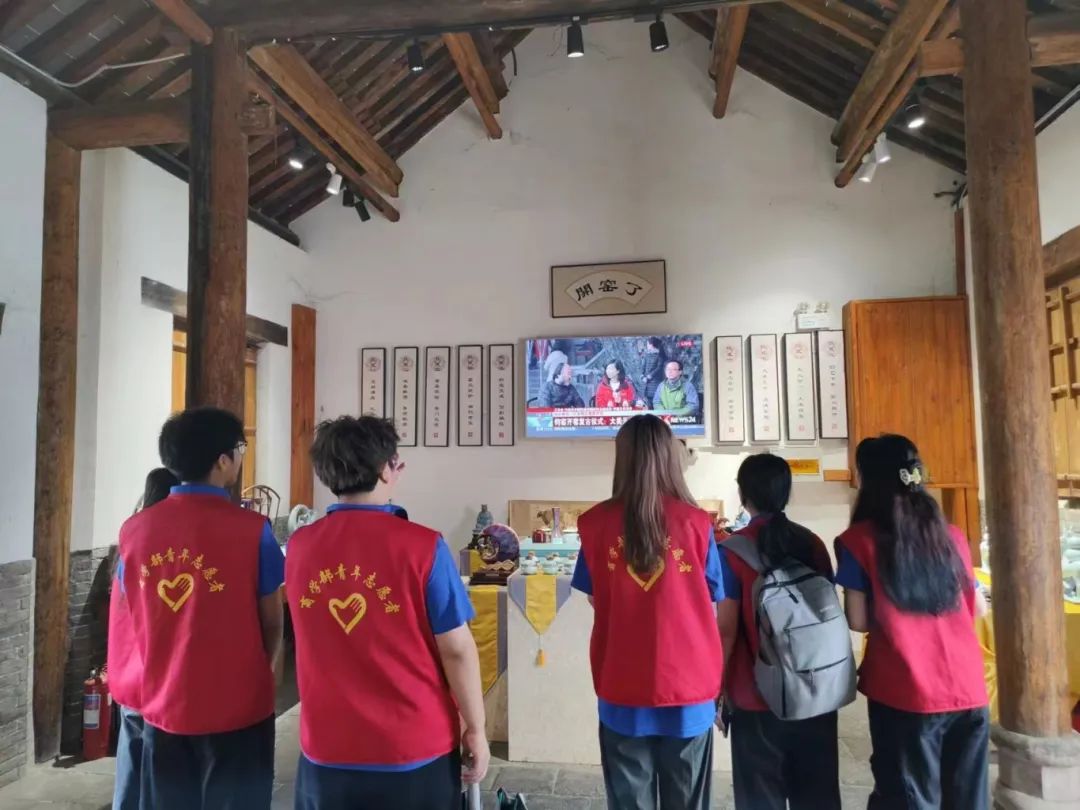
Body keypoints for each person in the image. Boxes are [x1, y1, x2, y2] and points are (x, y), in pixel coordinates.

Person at [287, 416, 488, 810]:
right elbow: (456, 650)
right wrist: (477, 729)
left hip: (327, 745)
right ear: (385, 469)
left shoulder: (300, 546)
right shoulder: (424, 547)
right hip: (413, 747)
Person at [116, 408, 285, 810]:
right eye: (240, 448)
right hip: (238, 710)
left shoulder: (134, 530)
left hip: (162, 707)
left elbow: (134, 611)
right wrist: (263, 675)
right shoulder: (253, 530)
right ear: (223, 461)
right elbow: (272, 623)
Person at [572, 414, 732, 810]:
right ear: (670, 457)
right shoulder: (697, 523)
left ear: (622, 458)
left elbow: (596, 597)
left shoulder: (594, 524)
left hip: (622, 682)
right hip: (689, 685)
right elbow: (713, 595)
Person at [836, 435, 989, 810]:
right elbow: (978, 609)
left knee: (907, 798)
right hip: (969, 689)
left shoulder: (857, 541)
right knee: (968, 800)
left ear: (868, 479)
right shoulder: (952, 536)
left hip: (906, 691)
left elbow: (858, 621)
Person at [717, 454, 841, 810]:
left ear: (743, 494)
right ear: (786, 492)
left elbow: (726, 630)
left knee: (759, 799)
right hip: (815, 689)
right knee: (817, 797)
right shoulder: (812, 543)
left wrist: (717, 689)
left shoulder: (730, 551)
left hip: (755, 694)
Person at [109, 467, 178, 810]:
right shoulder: (163, 547)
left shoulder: (131, 539)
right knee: (155, 773)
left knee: (130, 758)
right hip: (155, 680)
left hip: (127, 674)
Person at [640, 337, 667, 406]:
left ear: (651, 344)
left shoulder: (659, 355)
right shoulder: (646, 355)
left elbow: (659, 367)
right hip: (645, 382)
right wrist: (642, 375)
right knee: (646, 402)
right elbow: (643, 366)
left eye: (647, 344)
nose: (647, 345)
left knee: (655, 401)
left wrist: (650, 376)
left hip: (655, 382)